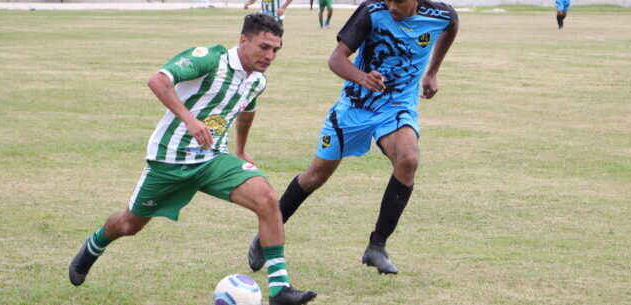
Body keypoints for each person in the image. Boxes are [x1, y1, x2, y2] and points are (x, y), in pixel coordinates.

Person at [67, 13, 317, 305]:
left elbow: (247, 110)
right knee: (129, 225)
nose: (270, 55)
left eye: (276, 50)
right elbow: (158, 81)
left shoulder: (258, 81)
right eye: (264, 47)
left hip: (213, 160)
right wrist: (189, 120)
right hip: (169, 160)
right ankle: (94, 246)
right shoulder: (211, 59)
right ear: (243, 41)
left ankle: (279, 289)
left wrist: (240, 148)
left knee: (267, 198)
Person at [247, 0, 458, 275]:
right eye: (388, 0)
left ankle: (377, 247)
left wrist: (431, 72)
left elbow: (451, 27)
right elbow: (336, 59)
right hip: (354, 106)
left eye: (398, 0)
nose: (392, 6)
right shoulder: (372, 12)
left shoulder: (441, 15)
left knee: (408, 159)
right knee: (314, 176)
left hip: (396, 105)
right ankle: (265, 237)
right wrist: (362, 78)